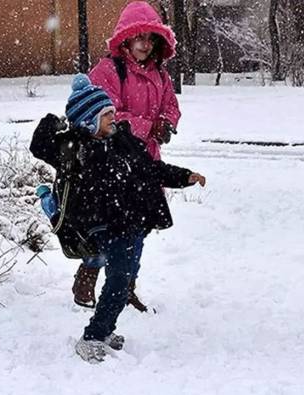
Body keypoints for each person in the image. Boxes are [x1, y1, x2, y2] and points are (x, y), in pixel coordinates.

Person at [30, 74, 206, 363]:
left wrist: (185, 176)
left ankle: (106, 328)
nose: (113, 117)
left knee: (123, 281)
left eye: (112, 111)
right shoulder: (75, 149)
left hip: (133, 222)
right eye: (106, 114)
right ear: (88, 120)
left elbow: (153, 169)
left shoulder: (124, 142)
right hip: (104, 226)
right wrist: (55, 121)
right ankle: (92, 337)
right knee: (118, 281)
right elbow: (40, 146)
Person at [72, 1, 182, 311]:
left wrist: (167, 124)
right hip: (113, 163)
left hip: (146, 161)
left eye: (150, 38)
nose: (145, 44)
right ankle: (89, 273)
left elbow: (171, 105)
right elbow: (104, 115)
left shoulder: (161, 74)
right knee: (110, 226)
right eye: (139, 37)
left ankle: (125, 286)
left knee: (140, 227)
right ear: (126, 39)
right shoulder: (108, 70)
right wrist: (148, 126)